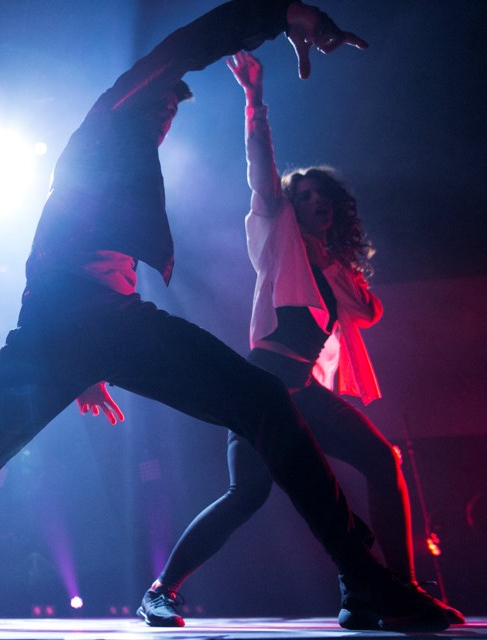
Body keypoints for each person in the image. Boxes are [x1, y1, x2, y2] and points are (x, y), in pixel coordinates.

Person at [0, 0, 454, 633]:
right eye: (163, 103)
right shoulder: (106, 122)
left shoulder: (123, 171)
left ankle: (367, 582)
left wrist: (86, 364)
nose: (166, 115)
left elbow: (54, 254)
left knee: (268, 404)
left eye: (170, 110)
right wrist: (287, 15)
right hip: (63, 326)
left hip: (106, 324)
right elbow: (189, 45)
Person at [143, 49, 465, 629]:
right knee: (248, 494)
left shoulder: (332, 265)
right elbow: (262, 170)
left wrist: (340, 259)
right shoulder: (276, 232)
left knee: (380, 459)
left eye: (326, 198)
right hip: (264, 385)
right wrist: (255, 101)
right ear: (291, 205)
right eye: (306, 195)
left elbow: (369, 313)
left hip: (303, 389)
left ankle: (388, 589)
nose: (315, 201)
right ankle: (162, 590)